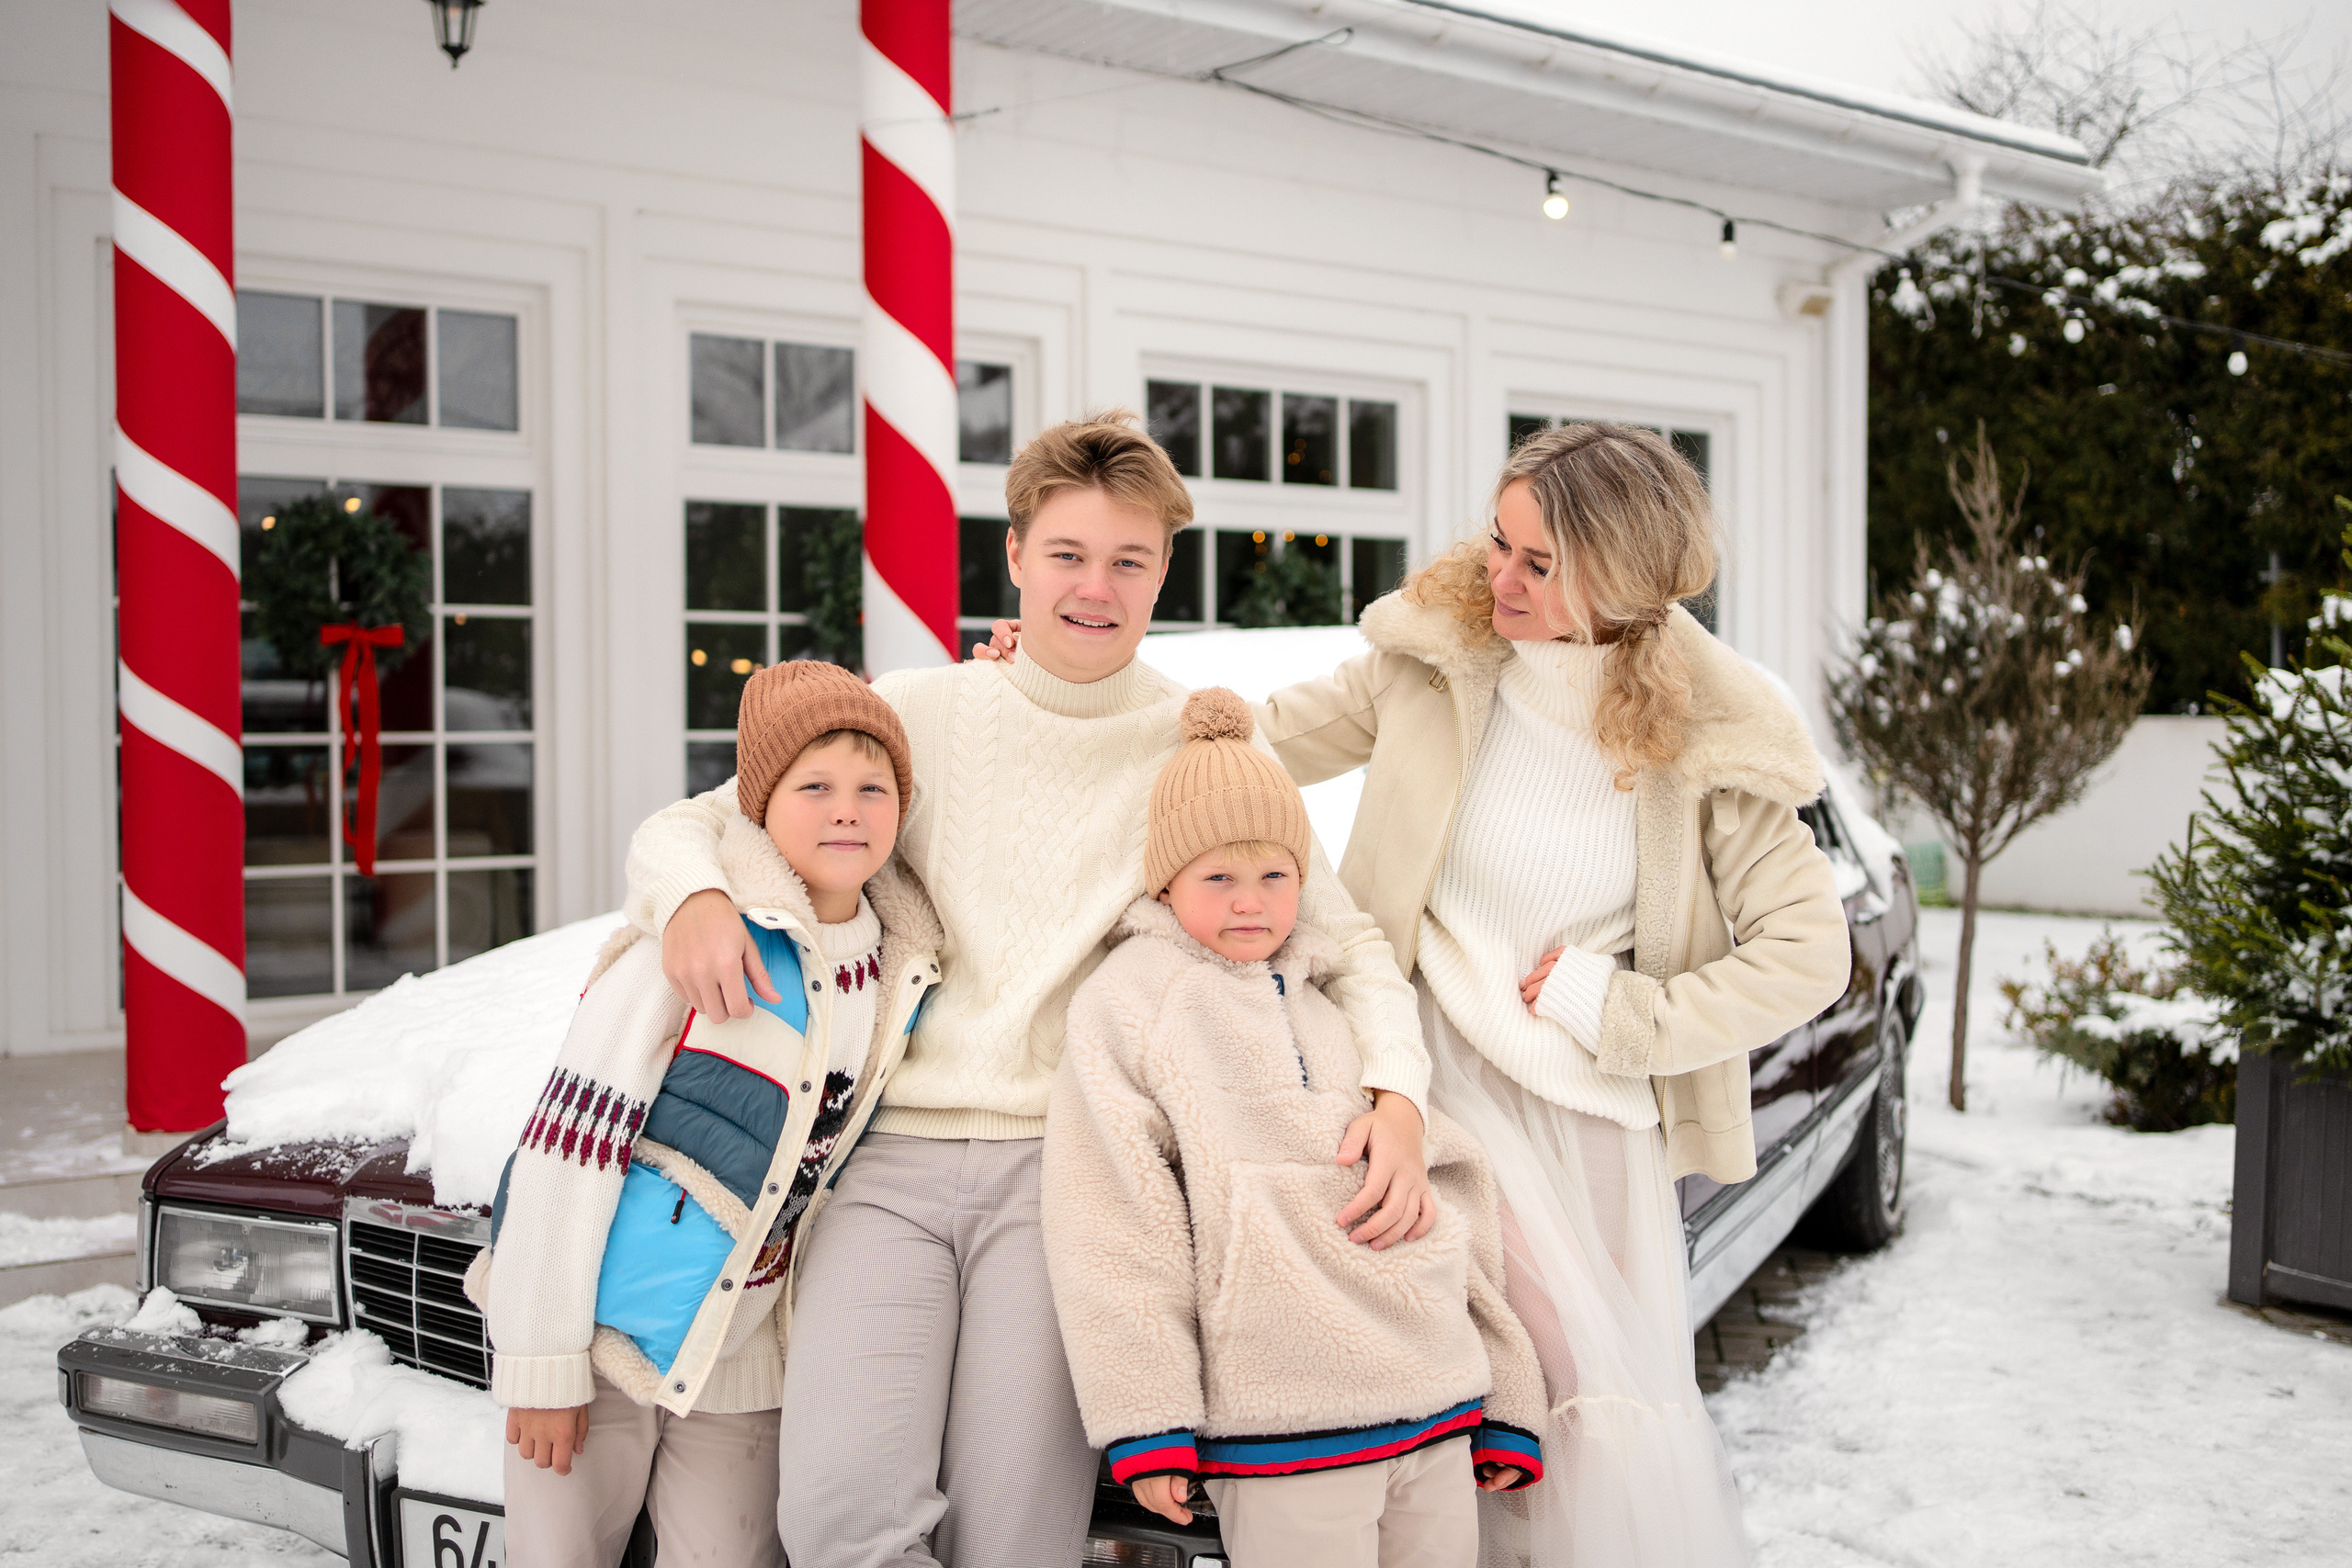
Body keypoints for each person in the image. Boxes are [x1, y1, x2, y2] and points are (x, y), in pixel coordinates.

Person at [982, 421, 1850, 1564]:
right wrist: (1055, 685)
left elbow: (1807, 951)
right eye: (1499, 541)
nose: (1499, 576)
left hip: (1589, 1112)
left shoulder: (1706, 727)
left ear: (1623, 577)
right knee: (1460, 1416)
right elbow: (1252, 742)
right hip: (1423, 1089)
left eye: (1537, 565)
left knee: (1583, 1419)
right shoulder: (1439, 654)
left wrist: (1625, 1012)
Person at [622, 411, 1435, 1568]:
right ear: (1014, 556)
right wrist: (694, 898)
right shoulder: (923, 710)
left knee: (1016, 1539)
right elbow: (696, 821)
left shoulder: (1200, 749)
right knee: (840, 1518)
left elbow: (1344, 945)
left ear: (1163, 572)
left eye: (1128, 561)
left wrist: (1396, 1097)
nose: (1094, 588)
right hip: (889, 1163)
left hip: (1072, 1180)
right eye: (1067, 555)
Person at [1043, 687, 1546, 1568]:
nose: (1251, 902)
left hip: (1429, 1399)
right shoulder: (1131, 1004)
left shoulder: (1329, 994)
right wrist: (1149, 1417)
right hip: (1283, 1409)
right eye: (1219, 877)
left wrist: (1506, 1390)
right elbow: (1115, 1218)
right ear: (1166, 880)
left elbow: (1452, 1187)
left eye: (1275, 874)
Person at [476, 660, 942, 1568]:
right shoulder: (689, 948)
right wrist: (542, 1360)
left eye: (871, 788)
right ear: (758, 804)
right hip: (600, 1338)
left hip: (741, 1361)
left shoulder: (900, 968)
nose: (845, 809)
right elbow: (566, 1156)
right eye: (814, 787)